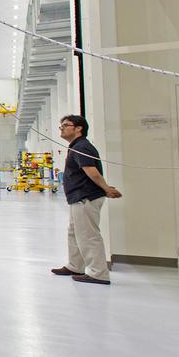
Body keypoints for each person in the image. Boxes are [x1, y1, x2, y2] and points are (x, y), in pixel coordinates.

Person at [50, 114, 122, 285]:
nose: (62, 128)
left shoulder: (81, 147)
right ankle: (75, 265)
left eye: (66, 125)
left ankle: (98, 273)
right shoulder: (76, 146)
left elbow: (91, 171)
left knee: (88, 235)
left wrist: (106, 188)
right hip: (78, 198)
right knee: (74, 233)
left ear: (78, 128)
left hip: (85, 197)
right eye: (61, 126)